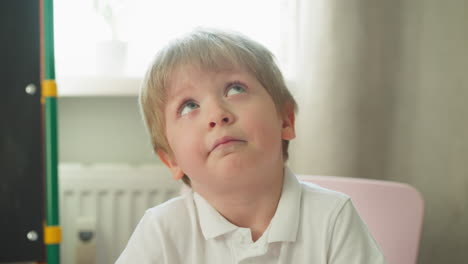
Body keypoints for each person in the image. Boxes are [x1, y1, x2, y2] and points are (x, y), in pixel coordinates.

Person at [116, 28, 386, 264]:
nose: (217, 114)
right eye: (189, 106)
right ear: (171, 160)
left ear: (285, 120)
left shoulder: (333, 218)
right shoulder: (162, 231)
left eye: (235, 89)